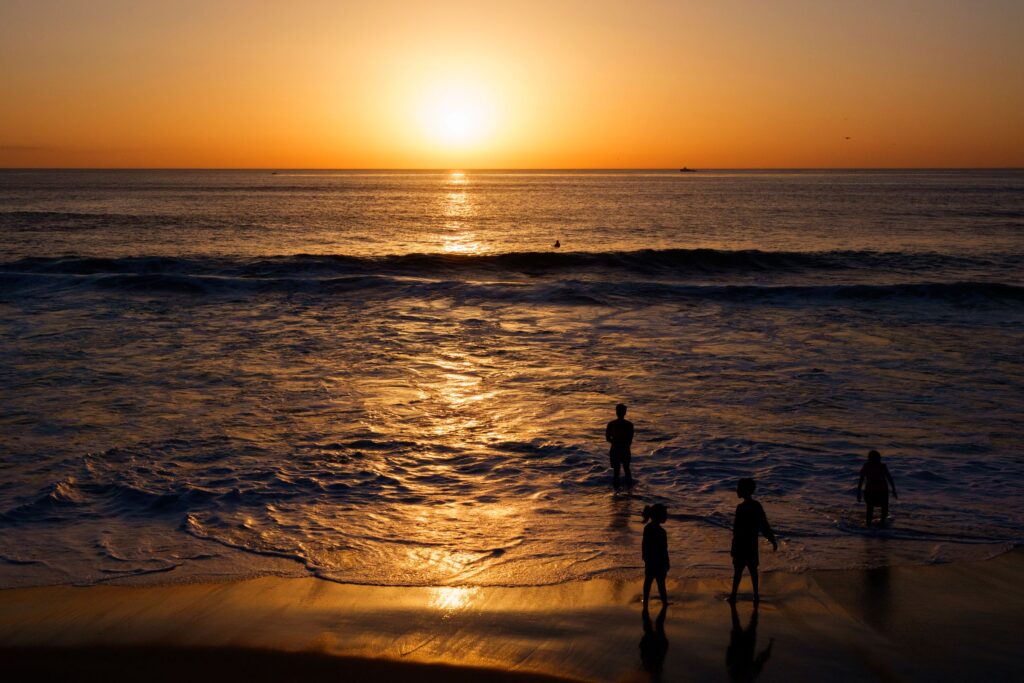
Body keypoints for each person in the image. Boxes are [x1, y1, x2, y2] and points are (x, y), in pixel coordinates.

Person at [729, 478, 777, 603]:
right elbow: (764, 525)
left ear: (744, 490)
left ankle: (733, 596)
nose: (737, 490)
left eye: (739, 488)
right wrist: (772, 539)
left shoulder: (741, 508)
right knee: (753, 571)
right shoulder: (756, 506)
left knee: (738, 572)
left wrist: (733, 548)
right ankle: (756, 595)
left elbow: (736, 531)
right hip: (751, 544)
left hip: (741, 545)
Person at [857, 450, 898, 527]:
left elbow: (889, 478)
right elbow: (861, 480)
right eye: (876, 458)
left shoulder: (883, 466)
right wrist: (858, 493)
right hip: (871, 491)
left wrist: (893, 490)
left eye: (879, 458)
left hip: (882, 491)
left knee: (884, 508)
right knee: (870, 509)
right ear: (870, 459)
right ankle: (868, 526)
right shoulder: (867, 466)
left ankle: (882, 524)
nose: (878, 459)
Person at [642, 503, 669, 606]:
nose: (666, 516)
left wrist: (645, 557)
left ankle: (645, 601)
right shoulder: (662, 532)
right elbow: (664, 550)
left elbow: (644, 545)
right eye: (665, 514)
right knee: (661, 583)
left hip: (650, 560)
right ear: (659, 515)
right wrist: (667, 562)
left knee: (648, 582)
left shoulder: (648, 528)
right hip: (659, 562)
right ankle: (664, 602)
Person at [606, 403, 634, 488]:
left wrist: (615, 442)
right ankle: (629, 490)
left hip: (615, 449)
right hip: (625, 449)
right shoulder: (629, 424)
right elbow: (630, 440)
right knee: (627, 469)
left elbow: (607, 438)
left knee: (616, 472)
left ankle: (616, 491)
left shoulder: (611, 424)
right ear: (625, 413)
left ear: (616, 412)